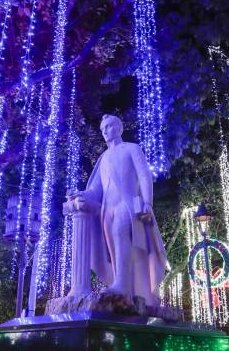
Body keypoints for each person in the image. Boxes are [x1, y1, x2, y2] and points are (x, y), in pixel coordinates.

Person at [65, 114, 167, 302]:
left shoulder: (131, 149)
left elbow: (144, 175)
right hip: (107, 210)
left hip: (127, 204)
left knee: (120, 233)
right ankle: (122, 283)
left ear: (119, 128)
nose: (105, 132)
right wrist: (81, 194)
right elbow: (96, 189)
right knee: (113, 246)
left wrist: (147, 202)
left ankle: (122, 284)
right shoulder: (103, 158)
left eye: (109, 127)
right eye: (103, 129)